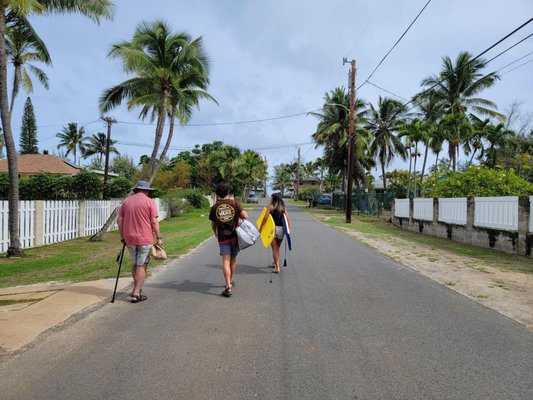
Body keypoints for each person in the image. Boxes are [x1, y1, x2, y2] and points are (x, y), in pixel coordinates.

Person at [118, 180, 163, 303]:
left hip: (129, 238)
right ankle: (136, 293)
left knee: (135, 263)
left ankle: (137, 287)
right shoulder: (149, 202)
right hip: (144, 238)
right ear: (146, 190)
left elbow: (120, 220)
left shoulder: (126, 202)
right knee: (141, 265)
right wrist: (159, 238)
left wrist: (122, 236)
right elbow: (154, 222)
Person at [209, 182, 248, 297]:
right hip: (234, 236)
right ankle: (231, 280)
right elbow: (245, 216)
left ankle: (228, 286)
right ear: (227, 192)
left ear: (217, 194)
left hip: (222, 237)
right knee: (233, 260)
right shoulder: (234, 203)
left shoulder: (215, 207)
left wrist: (215, 233)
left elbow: (212, 224)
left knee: (225, 261)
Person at [260, 192, 291, 273]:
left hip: (273, 230)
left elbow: (265, 218)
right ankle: (275, 263)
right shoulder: (282, 207)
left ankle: (277, 268)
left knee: (274, 249)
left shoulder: (270, 207)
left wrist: (261, 228)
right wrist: (289, 229)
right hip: (281, 230)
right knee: (277, 248)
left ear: (273, 199)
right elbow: (287, 219)